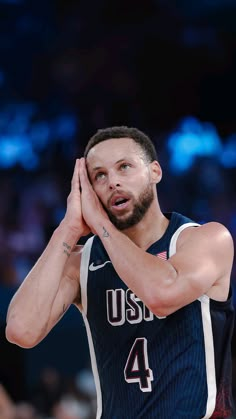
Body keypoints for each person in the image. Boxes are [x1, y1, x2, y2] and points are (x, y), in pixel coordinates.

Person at [5, 126, 235, 419]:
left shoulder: (204, 240)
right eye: (99, 175)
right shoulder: (83, 262)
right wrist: (69, 227)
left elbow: (161, 294)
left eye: (124, 167)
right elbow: (21, 330)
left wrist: (101, 223)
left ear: (155, 172)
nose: (112, 181)